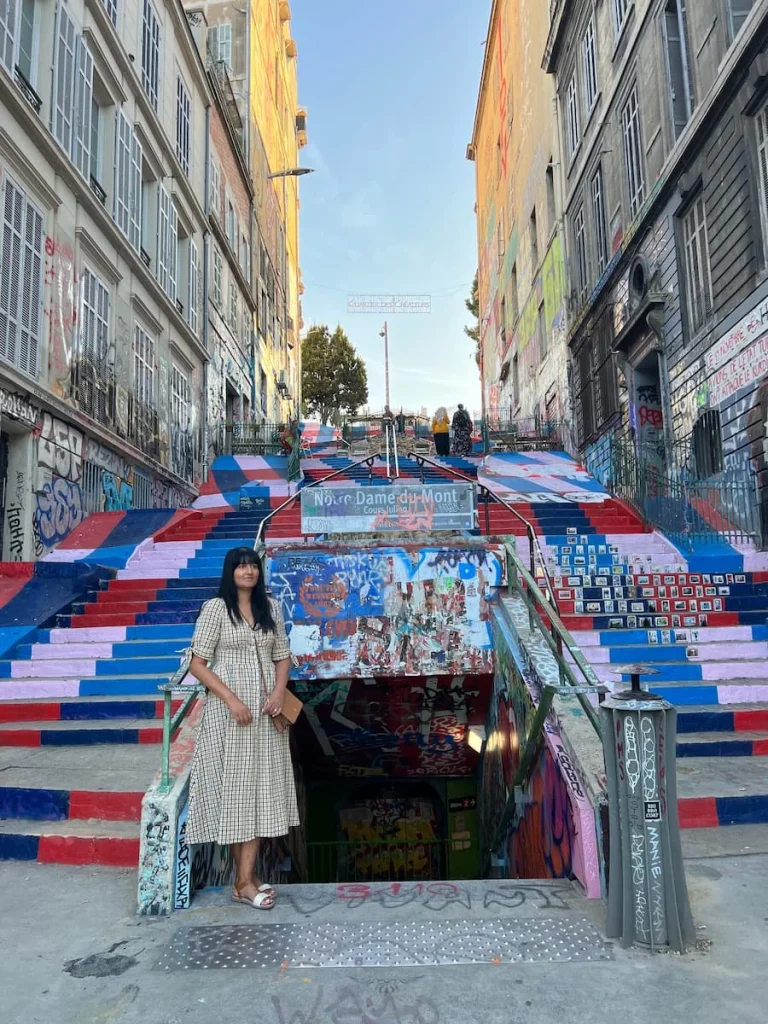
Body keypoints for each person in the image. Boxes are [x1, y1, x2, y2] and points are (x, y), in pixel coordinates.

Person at [185, 547, 299, 911]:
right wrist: (232, 700)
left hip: (266, 714)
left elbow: (282, 656)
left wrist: (278, 692)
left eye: (253, 566)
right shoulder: (216, 609)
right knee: (236, 794)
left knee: (259, 792)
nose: (248, 571)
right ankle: (244, 883)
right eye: (241, 566)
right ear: (230, 571)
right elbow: (197, 664)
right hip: (230, 716)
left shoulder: (271, 608)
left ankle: (245, 880)